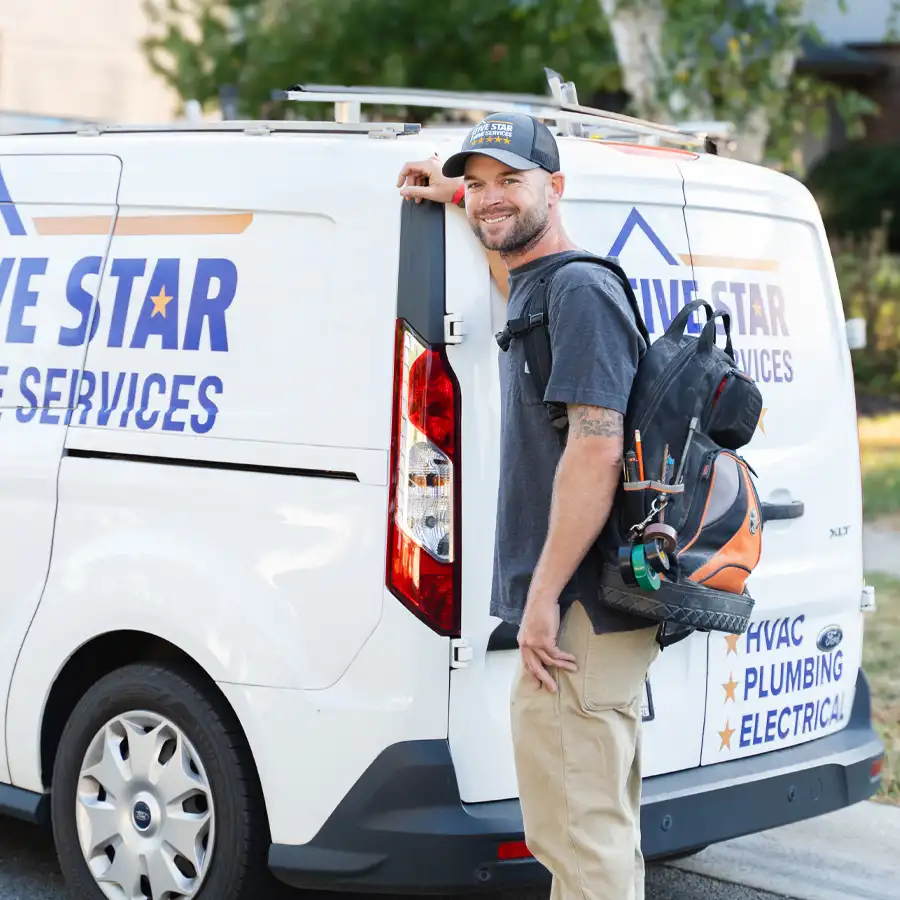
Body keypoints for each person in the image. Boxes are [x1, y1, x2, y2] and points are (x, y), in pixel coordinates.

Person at [397, 113, 660, 900]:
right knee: (588, 829)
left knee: (577, 839)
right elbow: (515, 274)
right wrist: (461, 199)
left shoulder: (578, 289)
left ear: (558, 186)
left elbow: (596, 448)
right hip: (581, 608)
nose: (490, 198)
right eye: (480, 183)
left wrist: (541, 599)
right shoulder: (545, 286)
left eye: (511, 179)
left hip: (576, 610)